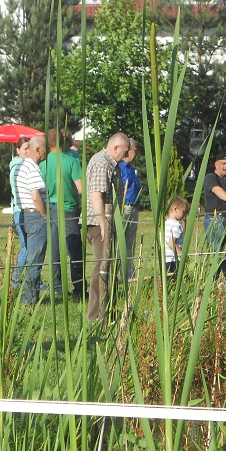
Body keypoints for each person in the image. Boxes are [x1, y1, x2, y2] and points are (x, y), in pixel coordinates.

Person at [83, 133, 130, 322]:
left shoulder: (112, 164)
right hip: (98, 223)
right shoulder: (102, 163)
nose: (126, 155)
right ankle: (96, 315)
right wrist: (104, 225)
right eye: (125, 151)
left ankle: (107, 309)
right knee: (102, 267)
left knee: (108, 265)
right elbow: (97, 197)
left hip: (106, 221)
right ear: (116, 148)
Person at [39, 129, 84, 299]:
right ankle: (79, 289)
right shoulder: (71, 161)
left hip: (50, 207)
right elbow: (81, 189)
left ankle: (57, 287)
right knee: (74, 249)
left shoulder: (43, 164)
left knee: (55, 249)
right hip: (68, 208)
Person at [14, 136, 48, 304]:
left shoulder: (21, 167)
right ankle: (29, 298)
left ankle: (27, 295)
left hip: (25, 214)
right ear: (38, 150)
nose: (47, 153)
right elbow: (35, 196)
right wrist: (45, 215)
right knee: (35, 259)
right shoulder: (32, 168)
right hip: (35, 215)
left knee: (30, 256)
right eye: (45, 149)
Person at [203, 152, 226, 275]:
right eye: (223, 163)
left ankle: (223, 278)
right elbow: (217, 190)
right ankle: (214, 278)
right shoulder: (211, 178)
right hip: (216, 220)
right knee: (217, 251)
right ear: (216, 164)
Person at [9, 137, 31, 288]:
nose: (28, 151)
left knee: (30, 247)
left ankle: (30, 279)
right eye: (25, 148)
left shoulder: (24, 165)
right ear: (18, 150)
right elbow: (18, 193)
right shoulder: (17, 167)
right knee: (27, 247)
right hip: (21, 210)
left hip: (23, 210)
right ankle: (16, 280)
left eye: (29, 148)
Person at [119, 139, 142, 281]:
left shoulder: (130, 168)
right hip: (125, 207)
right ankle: (120, 273)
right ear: (129, 150)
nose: (137, 154)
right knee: (121, 242)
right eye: (136, 151)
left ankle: (128, 274)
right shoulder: (120, 167)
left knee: (130, 243)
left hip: (134, 207)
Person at [164, 196, 188, 276]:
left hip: (165, 259)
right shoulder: (176, 225)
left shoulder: (165, 224)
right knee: (176, 279)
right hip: (174, 260)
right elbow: (171, 243)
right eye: (184, 211)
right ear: (175, 209)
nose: (185, 214)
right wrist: (182, 254)